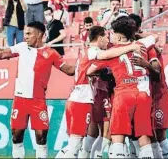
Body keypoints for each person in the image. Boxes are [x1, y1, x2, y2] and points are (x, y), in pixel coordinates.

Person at [0, 21, 75, 158]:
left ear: (39, 34)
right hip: (20, 100)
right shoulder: (22, 47)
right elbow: (0, 54)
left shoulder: (51, 53)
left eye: (29, 34)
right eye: (25, 34)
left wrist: (87, 63)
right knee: (16, 137)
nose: (26, 37)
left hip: (38, 101)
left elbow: (69, 71)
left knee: (41, 138)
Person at [58, 26, 144, 158]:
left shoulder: (85, 52)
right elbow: (105, 56)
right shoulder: (93, 51)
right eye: (106, 37)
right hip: (81, 99)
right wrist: (131, 47)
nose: (108, 40)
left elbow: (89, 71)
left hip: (77, 98)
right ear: (100, 38)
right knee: (75, 144)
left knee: (75, 143)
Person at [87, 16, 158, 158]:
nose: (111, 36)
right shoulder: (142, 45)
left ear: (118, 37)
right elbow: (154, 37)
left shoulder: (112, 52)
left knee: (117, 138)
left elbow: (89, 71)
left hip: (123, 95)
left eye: (112, 33)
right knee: (144, 138)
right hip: (143, 95)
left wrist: (106, 72)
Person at [129, 13, 168, 158]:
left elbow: (157, 73)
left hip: (158, 95)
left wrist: (145, 64)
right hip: (143, 98)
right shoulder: (131, 47)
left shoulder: (150, 48)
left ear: (137, 29)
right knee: (144, 135)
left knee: (160, 136)